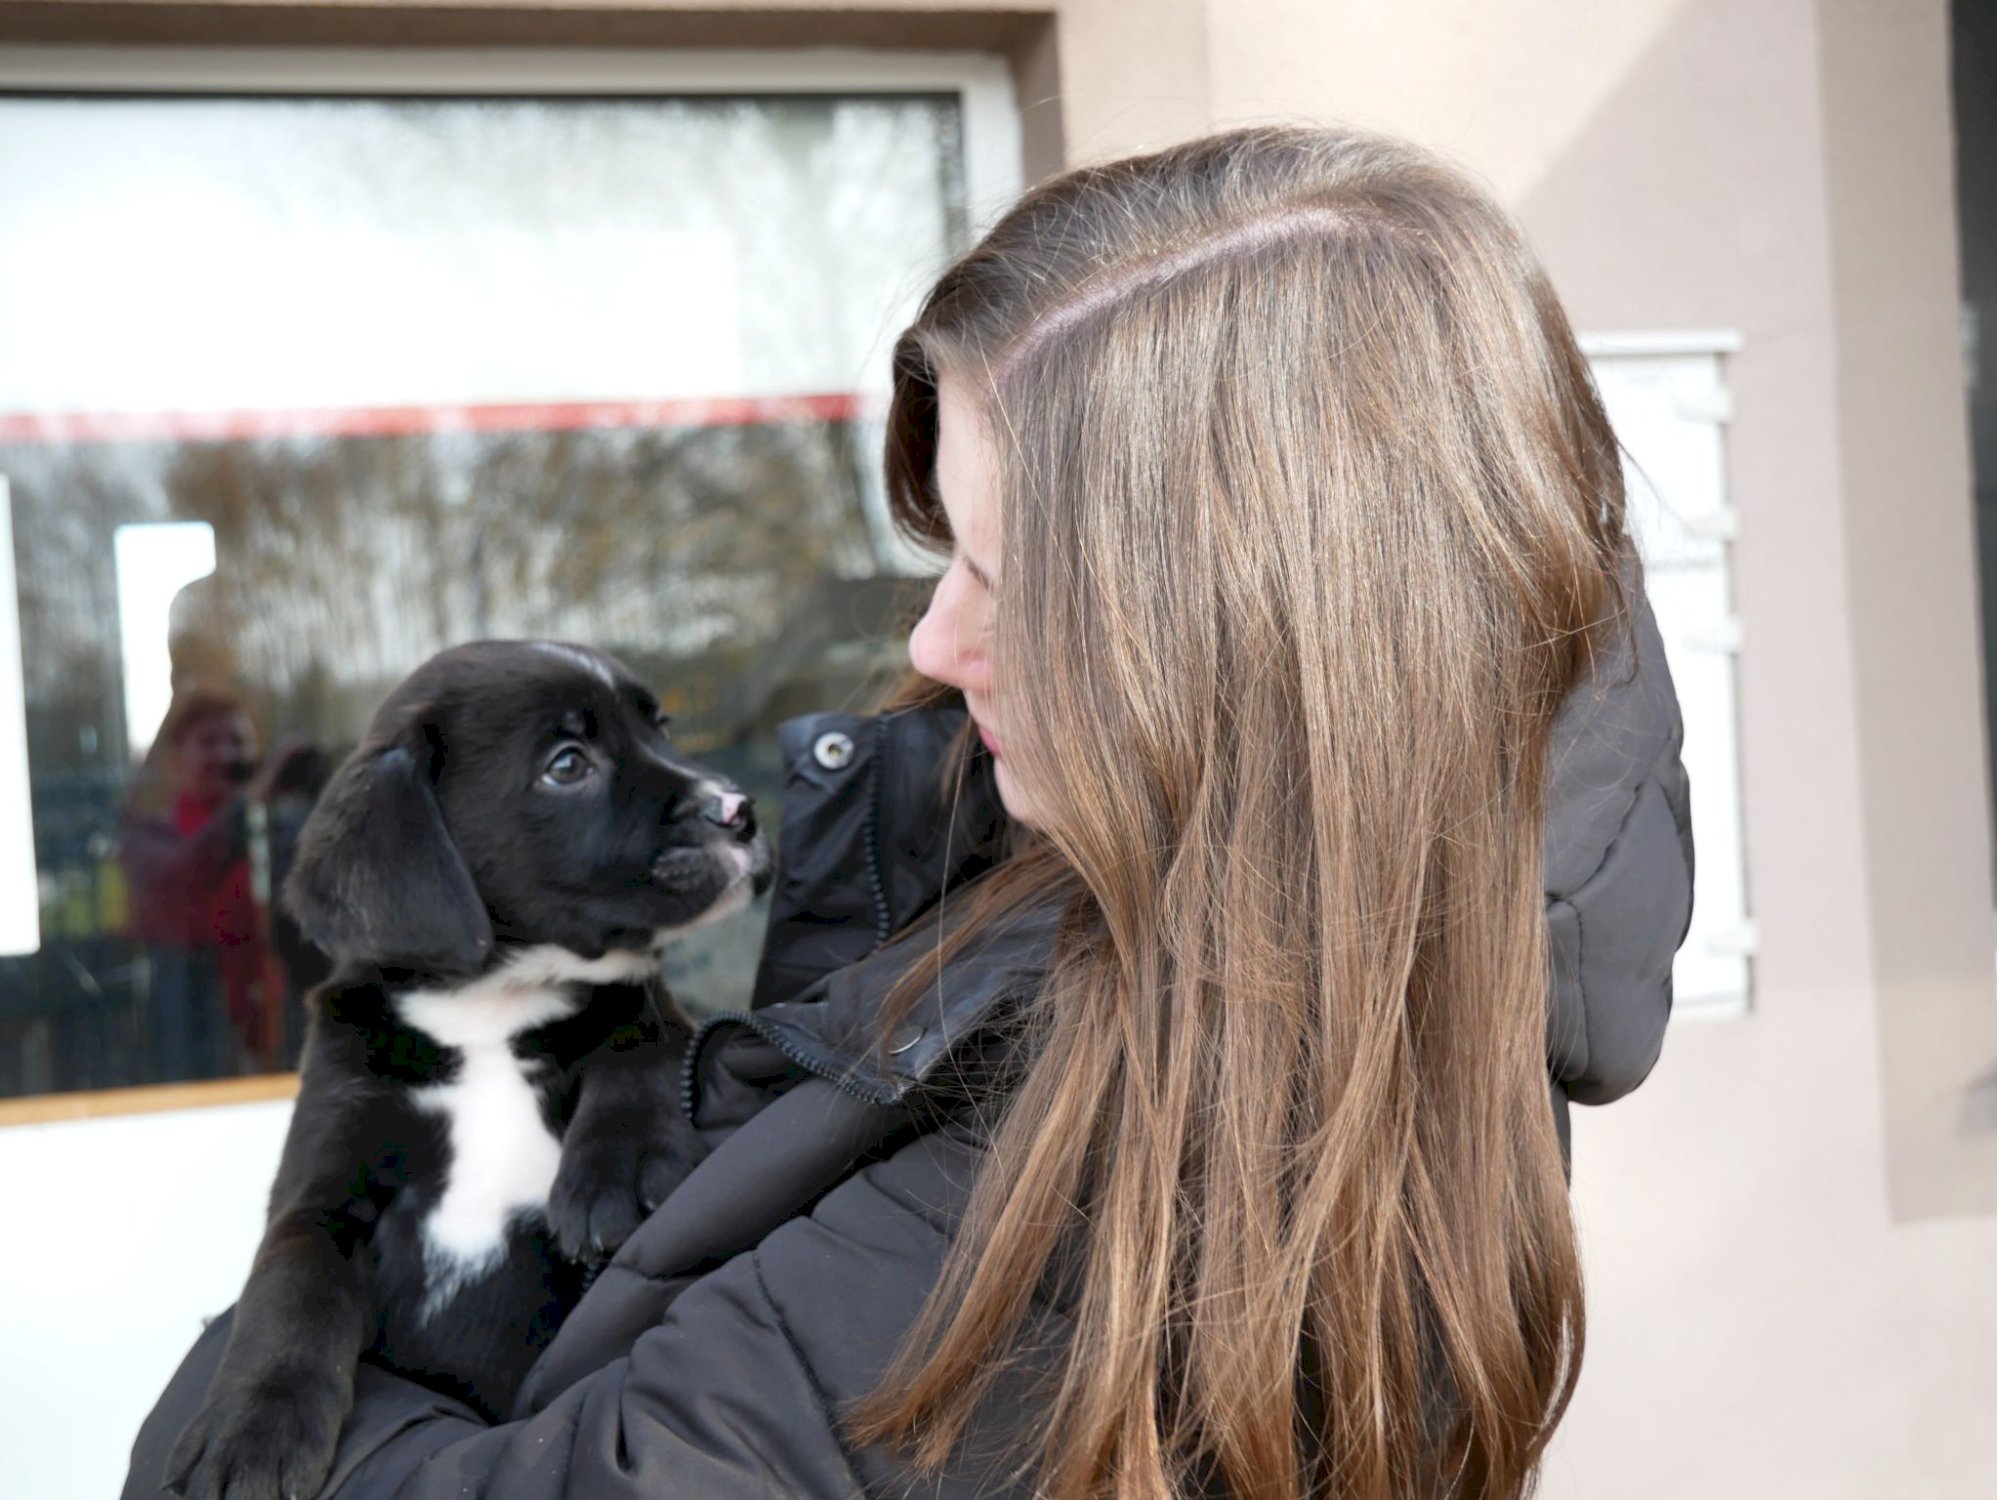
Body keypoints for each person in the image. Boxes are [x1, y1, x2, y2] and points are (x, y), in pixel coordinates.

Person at [128, 125, 1692, 1500]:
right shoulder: (1172, 913)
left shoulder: (1134, 1144)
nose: (934, 645)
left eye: (1006, 579)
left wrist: (267, 1337)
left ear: (1242, 640)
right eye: (945, 556)